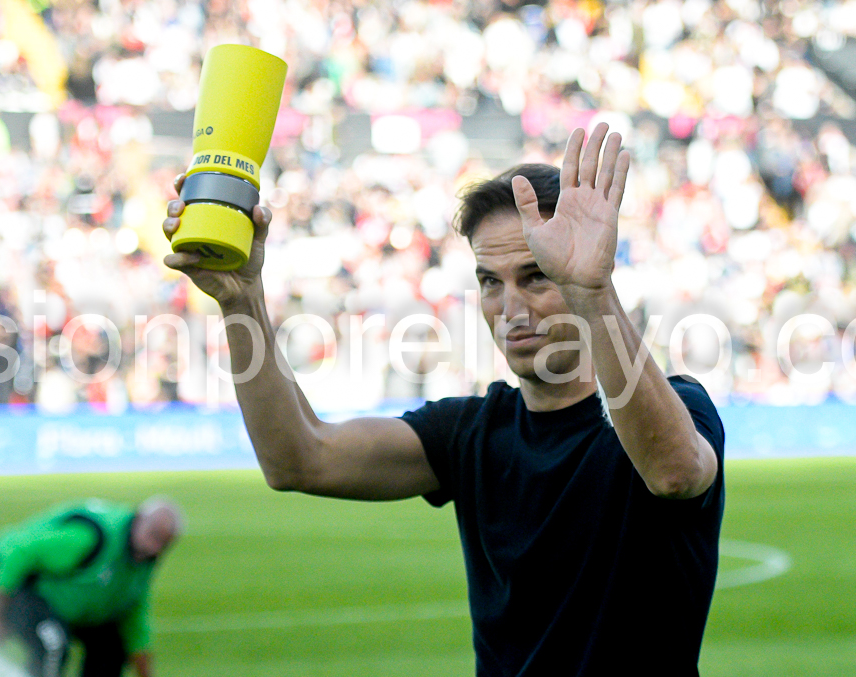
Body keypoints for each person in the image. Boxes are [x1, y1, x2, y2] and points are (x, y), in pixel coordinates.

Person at [163, 124, 724, 675]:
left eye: (537, 275)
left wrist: (590, 290)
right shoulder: (471, 431)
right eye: (489, 281)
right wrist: (241, 301)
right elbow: (298, 459)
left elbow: (674, 471)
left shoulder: (676, 406)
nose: (511, 305)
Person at [0, 497, 182, 677]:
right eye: (153, 535)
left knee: (112, 647)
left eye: (164, 545)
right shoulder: (90, 538)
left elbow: (135, 623)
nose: (154, 548)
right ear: (138, 519)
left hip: (67, 604)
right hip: (10, 579)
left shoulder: (143, 562)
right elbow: (18, 554)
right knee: (53, 645)